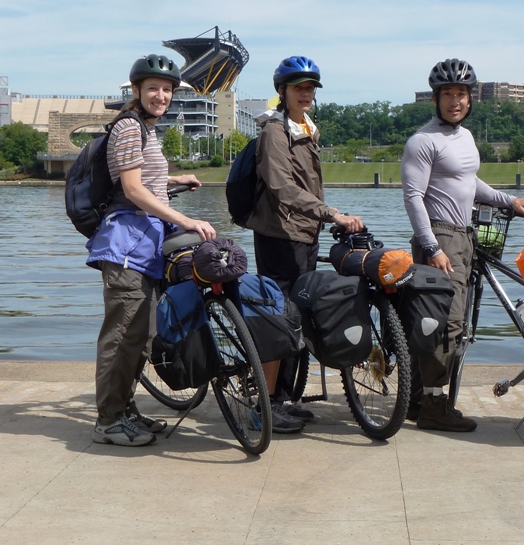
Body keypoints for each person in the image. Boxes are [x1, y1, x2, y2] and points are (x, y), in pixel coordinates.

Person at [401, 58, 524, 432]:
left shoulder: (464, 137)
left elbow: (470, 183)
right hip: (440, 236)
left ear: (470, 100)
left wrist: (508, 200)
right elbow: (414, 197)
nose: (455, 101)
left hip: (464, 234)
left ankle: (419, 401)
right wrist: (431, 247)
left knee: (442, 321)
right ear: (435, 99)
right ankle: (434, 406)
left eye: (461, 94)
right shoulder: (423, 141)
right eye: (447, 94)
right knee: (444, 323)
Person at [87, 54, 217, 446]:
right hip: (126, 245)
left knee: (141, 335)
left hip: (144, 246)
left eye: (167, 90)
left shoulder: (146, 127)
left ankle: (125, 410)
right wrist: (185, 220)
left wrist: (175, 178)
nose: (161, 95)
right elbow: (131, 190)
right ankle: (108, 422)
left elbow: (144, 178)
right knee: (124, 333)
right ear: (137, 91)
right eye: (153, 88)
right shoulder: (129, 127)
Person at [246, 55, 364, 433]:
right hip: (280, 237)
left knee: (296, 318)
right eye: (299, 87)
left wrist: (324, 217)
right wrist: (330, 213)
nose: (306, 93)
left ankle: (284, 398)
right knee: (278, 319)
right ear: (282, 91)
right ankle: (264, 406)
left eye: (311, 88)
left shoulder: (304, 128)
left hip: (304, 235)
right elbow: (281, 188)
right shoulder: (274, 132)